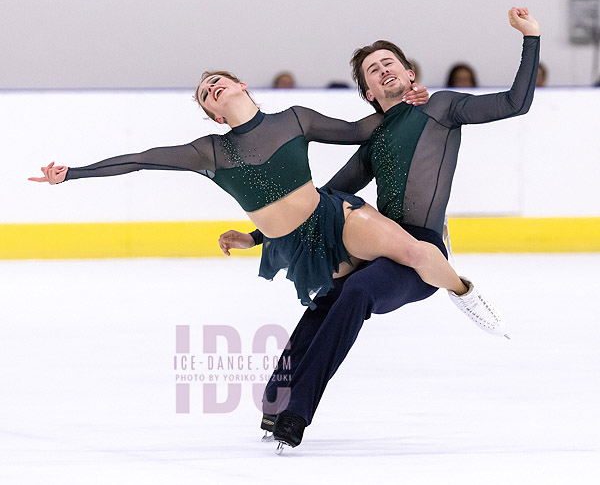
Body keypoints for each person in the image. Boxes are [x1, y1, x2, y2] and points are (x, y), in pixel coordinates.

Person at [220, 7, 540, 451]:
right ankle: (277, 400)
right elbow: (319, 199)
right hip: (378, 248)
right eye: (373, 69)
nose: (383, 69)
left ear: (410, 74)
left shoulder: (442, 107)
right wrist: (256, 236)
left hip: (420, 255)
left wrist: (530, 37)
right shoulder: (376, 138)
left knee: (356, 291)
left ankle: (297, 412)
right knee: (328, 295)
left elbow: (514, 103)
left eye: (390, 62)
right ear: (369, 92)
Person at [29, 70, 474, 315]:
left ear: (241, 84)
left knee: (410, 254)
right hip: (297, 246)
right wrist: (73, 174)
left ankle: (464, 290)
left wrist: (404, 100)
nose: (211, 87)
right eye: (205, 93)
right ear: (215, 115)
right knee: (346, 300)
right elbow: (142, 159)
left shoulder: (294, 119)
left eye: (216, 80)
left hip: (334, 216)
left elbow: (360, 130)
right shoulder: (210, 151)